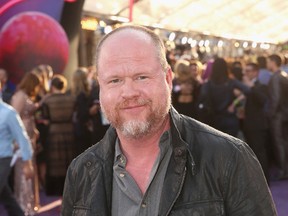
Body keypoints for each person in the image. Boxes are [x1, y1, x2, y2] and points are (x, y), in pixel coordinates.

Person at [61, 25, 276, 215]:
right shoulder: (80, 172)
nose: (129, 92)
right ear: (101, 88)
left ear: (168, 79)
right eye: (115, 80)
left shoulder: (229, 158)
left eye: (141, 77)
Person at [0, 81, 34, 216]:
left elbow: (22, 138)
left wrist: (28, 164)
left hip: (3, 159)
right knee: (6, 196)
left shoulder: (8, 113)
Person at [11, 71, 42, 215]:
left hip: (30, 136)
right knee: (24, 170)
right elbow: (13, 118)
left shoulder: (25, 96)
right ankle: (24, 205)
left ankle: (30, 203)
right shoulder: (20, 96)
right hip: (22, 138)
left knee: (30, 169)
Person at [41, 74, 76, 195]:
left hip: (54, 130)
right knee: (69, 157)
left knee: (56, 159)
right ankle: (70, 187)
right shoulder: (72, 98)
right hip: (69, 130)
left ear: (52, 86)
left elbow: (44, 117)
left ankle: (56, 189)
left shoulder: (48, 100)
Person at [197, 58, 250, 137]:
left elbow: (202, 99)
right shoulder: (231, 81)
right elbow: (248, 90)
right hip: (230, 118)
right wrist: (234, 104)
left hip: (213, 119)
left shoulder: (208, 84)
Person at [242, 63, 271, 183]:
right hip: (248, 123)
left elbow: (263, 100)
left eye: (249, 71)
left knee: (260, 152)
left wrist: (252, 87)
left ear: (256, 72)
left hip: (258, 125)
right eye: (245, 71)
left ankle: (264, 180)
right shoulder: (246, 86)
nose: (246, 74)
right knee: (252, 152)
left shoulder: (260, 85)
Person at [267, 54, 288, 179]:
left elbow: (275, 98)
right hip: (284, 114)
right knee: (284, 142)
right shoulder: (283, 75)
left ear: (273, 62)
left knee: (279, 142)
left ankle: (282, 170)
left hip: (278, 116)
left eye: (269, 61)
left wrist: (270, 114)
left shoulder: (276, 78)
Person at [70, 68, 92, 155]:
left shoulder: (70, 93)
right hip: (83, 130)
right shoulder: (83, 95)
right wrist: (90, 111)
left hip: (74, 128)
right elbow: (83, 114)